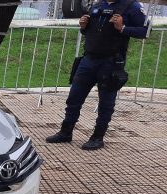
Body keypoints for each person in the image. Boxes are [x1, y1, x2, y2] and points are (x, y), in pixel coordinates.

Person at [46, 0, 148, 150]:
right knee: (74, 97)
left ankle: (97, 137)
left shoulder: (131, 6)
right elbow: (90, 31)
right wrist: (83, 26)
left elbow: (146, 31)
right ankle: (66, 131)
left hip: (110, 62)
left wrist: (123, 28)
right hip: (88, 59)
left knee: (106, 103)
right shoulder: (98, 5)